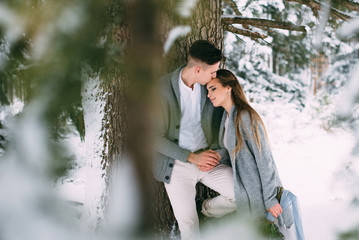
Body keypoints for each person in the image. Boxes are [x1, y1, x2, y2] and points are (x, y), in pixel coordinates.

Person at [206, 69, 303, 239]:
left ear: (229, 87)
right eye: (207, 90)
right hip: (248, 197)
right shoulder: (227, 118)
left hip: (261, 196)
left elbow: (265, 161)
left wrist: (270, 199)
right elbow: (236, 154)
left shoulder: (245, 117)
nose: (208, 94)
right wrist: (219, 155)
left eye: (213, 88)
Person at [154, 41, 236, 240]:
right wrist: (191, 158)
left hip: (209, 159)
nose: (215, 76)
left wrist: (218, 153)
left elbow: (226, 123)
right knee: (190, 229)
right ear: (198, 69)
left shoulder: (211, 88)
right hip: (176, 165)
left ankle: (206, 210)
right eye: (212, 72)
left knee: (243, 195)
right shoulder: (161, 89)